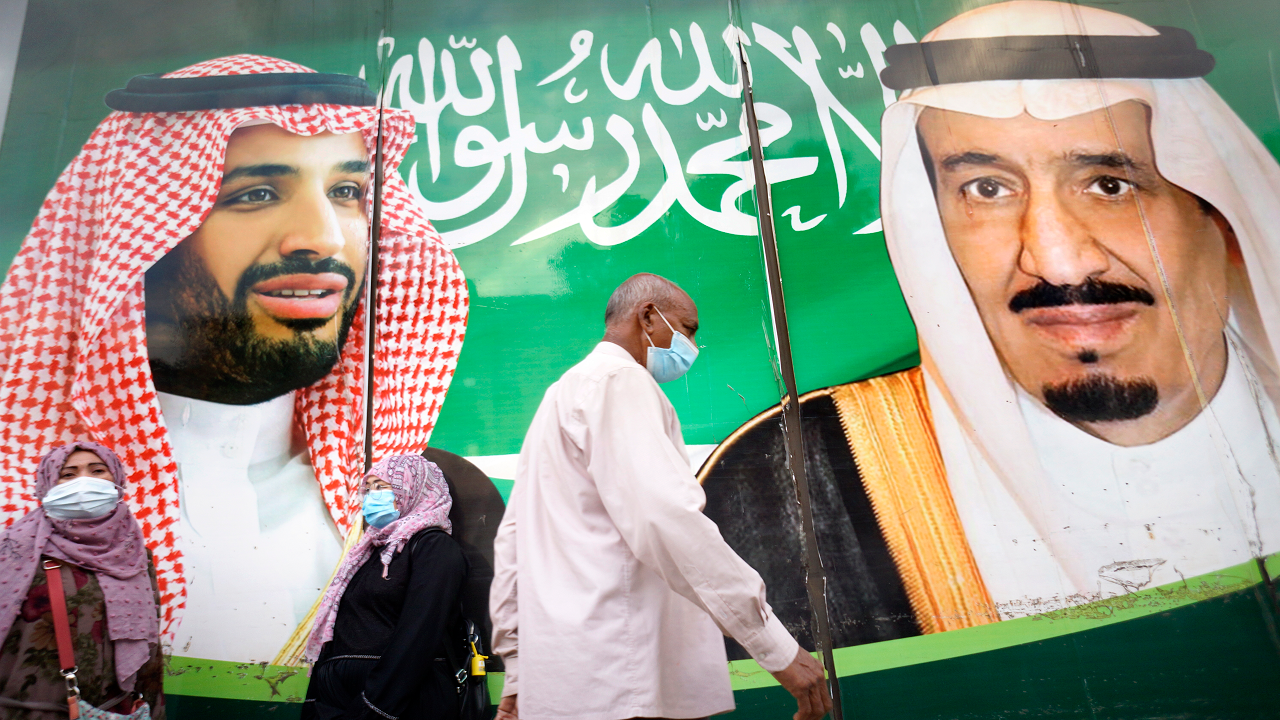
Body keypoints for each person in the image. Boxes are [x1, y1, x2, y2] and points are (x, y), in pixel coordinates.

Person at [699, 0, 1280, 645]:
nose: (1056, 260)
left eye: (1110, 185)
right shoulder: (794, 479)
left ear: (1221, 216)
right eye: (987, 189)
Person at [0, 54, 468, 661]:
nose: (324, 238)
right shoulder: (30, 503)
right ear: (143, 232)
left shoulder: (398, 513)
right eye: (257, 194)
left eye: (347, 192)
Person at [490, 273, 832, 720]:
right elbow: (667, 519)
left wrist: (518, 670)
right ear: (648, 317)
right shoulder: (620, 382)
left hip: (565, 680)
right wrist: (773, 645)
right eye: (688, 329)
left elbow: (513, 541)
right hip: (626, 672)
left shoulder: (561, 394)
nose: (692, 346)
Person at [0, 442, 163, 718]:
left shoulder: (135, 556)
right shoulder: (15, 551)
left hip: (111, 709)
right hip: (23, 710)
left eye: (97, 471)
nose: (84, 481)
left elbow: (150, 647)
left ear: (117, 479)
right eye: (68, 474)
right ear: (47, 484)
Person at [303, 454, 467, 720]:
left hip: (392, 707)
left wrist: (373, 707)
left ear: (413, 488)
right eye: (368, 489)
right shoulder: (366, 553)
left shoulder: (434, 548)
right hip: (338, 704)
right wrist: (317, 699)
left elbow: (419, 635)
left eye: (381, 487)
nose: (371, 497)